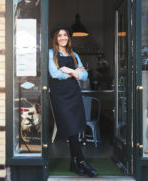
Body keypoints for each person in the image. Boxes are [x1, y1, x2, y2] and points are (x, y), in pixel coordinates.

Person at [49, 24, 98, 177]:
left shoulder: (74, 54)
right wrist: (75, 73)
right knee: (70, 127)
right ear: (56, 38)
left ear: (68, 37)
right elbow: (55, 73)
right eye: (60, 35)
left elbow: (85, 76)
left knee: (75, 129)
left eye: (65, 35)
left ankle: (73, 163)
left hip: (74, 94)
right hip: (60, 96)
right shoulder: (51, 53)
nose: (63, 37)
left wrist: (70, 71)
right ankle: (82, 162)